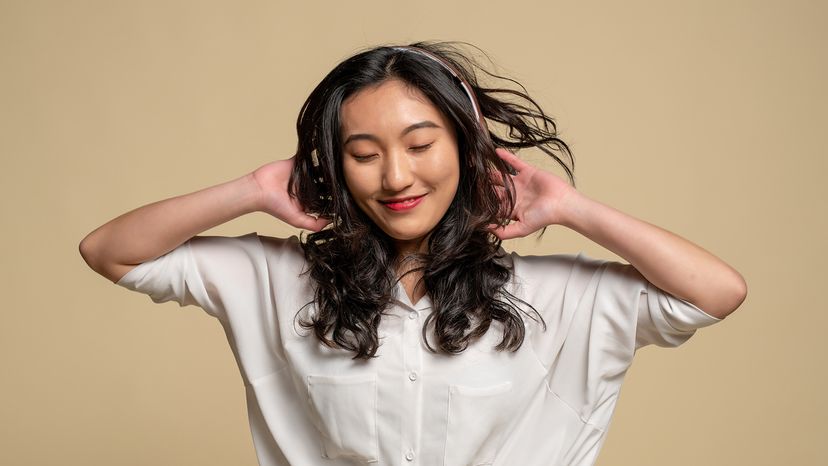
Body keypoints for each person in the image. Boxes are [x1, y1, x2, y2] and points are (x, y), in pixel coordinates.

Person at [79, 41, 747, 466]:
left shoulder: (558, 294)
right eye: (364, 155)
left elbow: (715, 292)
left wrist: (569, 207)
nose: (396, 178)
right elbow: (110, 252)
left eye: (421, 146)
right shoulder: (275, 277)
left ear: (465, 148)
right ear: (337, 167)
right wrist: (253, 190)